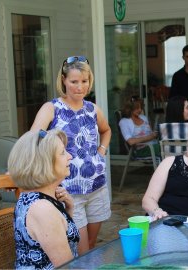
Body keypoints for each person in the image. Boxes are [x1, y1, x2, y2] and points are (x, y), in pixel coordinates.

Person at [31, 56, 112, 255]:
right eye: (74, 81)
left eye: (84, 81)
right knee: (81, 250)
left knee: (91, 245)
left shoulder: (93, 109)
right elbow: (32, 139)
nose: (79, 87)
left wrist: (101, 151)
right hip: (69, 191)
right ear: (64, 81)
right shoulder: (52, 108)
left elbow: (106, 130)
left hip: (97, 187)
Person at [8, 129, 80, 268]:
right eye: (63, 152)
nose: (70, 156)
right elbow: (66, 267)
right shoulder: (43, 209)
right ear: (45, 162)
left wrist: (69, 209)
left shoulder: (32, 196)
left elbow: (64, 238)